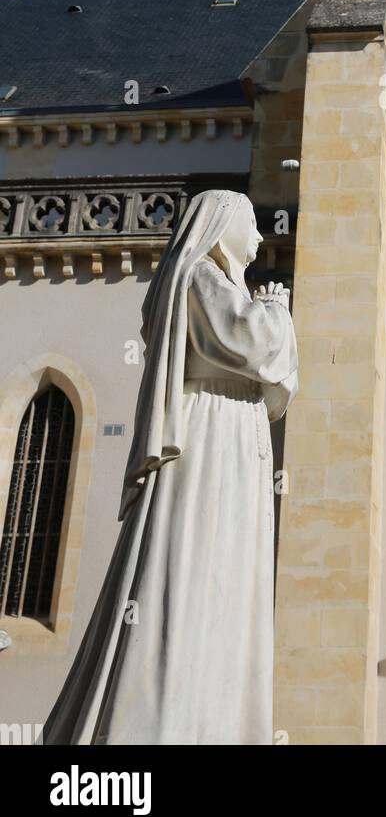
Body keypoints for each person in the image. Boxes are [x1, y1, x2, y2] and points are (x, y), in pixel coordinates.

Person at [44, 189, 298, 745]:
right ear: (221, 225)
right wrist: (276, 310)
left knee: (222, 578)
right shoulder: (200, 277)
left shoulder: (214, 281)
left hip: (232, 433)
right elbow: (253, 343)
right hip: (210, 439)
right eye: (251, 226)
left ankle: (210, 718)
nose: (259, 240)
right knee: (192, 567)